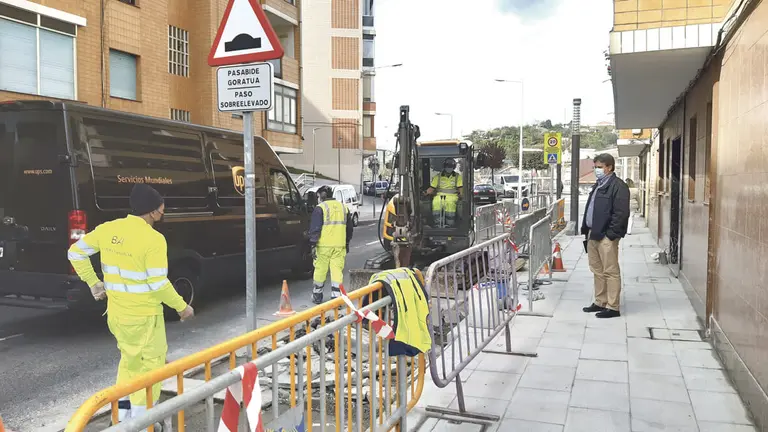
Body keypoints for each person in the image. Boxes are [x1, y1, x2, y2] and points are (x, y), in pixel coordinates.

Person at [67, 184, 193, 427]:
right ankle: (142, 420)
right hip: (145, 318)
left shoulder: (109, 229)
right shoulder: (154, 239)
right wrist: (182, 307)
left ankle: (123, 417)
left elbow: (75, 253)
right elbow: (158, 283)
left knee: (129, 363)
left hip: (117, 315)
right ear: (153, 211)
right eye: (161, 208)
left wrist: (94, 284)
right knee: (152, 369)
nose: (162, 213)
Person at [581, 153, 630, 319]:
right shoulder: (599, 185)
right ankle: (600, 301)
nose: (597, 170)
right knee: (597, 270)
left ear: (609, 167)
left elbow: (621, 213)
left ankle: (613, 306)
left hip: (606, 237)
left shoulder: (618, 186)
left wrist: (611, 234)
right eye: (595, 167)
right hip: (592, 234)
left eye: (599, 167)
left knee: (610, 271)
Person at [309, 185, 354, 304]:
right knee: (337, 272)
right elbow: (349, 229)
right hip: (339, 246)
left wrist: (313, 244)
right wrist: (347, 242)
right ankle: (336, 298)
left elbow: (315, 228)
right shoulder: (344, 208)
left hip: (323, 246)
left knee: (320, 270)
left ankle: (317, 296)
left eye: (317, 197)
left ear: (320, 196)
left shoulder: (320, 208)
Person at [425, 158, 463, 227]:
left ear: (454, 167)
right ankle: (437, 224)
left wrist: (462, 195)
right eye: (448, 166)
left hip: (452, 196)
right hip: (439, 195)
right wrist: (425, 193)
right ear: (444, 166)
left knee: (450, 204)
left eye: (450, 166)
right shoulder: (438, 176)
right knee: (436, 202)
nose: (449, 168)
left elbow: (460, 189)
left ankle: (450, 224)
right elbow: (431, 188)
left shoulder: (458, 177)